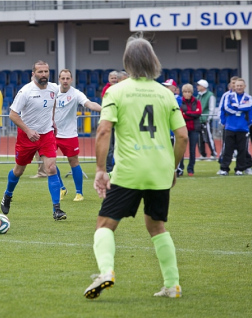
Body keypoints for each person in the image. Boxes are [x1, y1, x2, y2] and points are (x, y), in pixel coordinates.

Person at [83, 34, 188, 300]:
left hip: (129, 171)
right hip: (158, 172)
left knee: (104, 225)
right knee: (157, 227)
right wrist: (173, 169)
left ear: (126, 62)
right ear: (153, 61)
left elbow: (104, 130)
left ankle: (106, 271)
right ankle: (172, 284)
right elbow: (183, 136)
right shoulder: (166, 93)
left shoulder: (116, 91)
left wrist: (99, 170)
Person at [0, 60, 67, 221]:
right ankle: (8, 194)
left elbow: (52, 103)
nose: (43, 75)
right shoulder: (26, 92)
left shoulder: (53, 88)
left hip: (46, 135)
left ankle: (56, 209)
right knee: (19, 171)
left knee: (51, 168)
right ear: (33, 74)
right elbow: (13, 115)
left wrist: (52, 121)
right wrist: (28, 131)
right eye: (40, 72)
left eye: (46, 71)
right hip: (26, 136)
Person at [55, 69, 102, 202]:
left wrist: (104, 109)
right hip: (52, 133)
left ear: (71, 79)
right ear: (59, 79)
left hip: (69, 134)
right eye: (63, 78)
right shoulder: (52, 91)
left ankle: (79, 193)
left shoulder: (76, 94)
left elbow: (90, 104)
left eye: (67, 78)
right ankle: (61, 188)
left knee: (74, 161)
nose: (65, 81)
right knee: (49, 163)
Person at [217, 78, 252, 176]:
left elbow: (250, 107)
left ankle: (239, 169)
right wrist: (240, 109)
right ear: (234, 86)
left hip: (243, 127)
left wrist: (237, 108)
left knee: (242, 149)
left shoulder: (248, 97)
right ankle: (224, 168)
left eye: (241, 85)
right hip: (230, 127)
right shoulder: (228, 96)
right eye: (237, 85)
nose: (239, 87)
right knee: (228, 149)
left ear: (244, 86)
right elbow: (226, 108)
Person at [178, 83, 202, 176]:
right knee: (181, 150)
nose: (187, 93)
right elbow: (181, 115)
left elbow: (198, 113)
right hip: (183, 129)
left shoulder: (197, 101)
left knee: (192, 150)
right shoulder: (180, 101)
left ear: (192, 92)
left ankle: (190, 169)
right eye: (185, 92)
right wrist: (192, 113)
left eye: (189, 92)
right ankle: (180, 168)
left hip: (194, 129)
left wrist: (186, 113)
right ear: (182, 92)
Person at [196, 79, 217, 160]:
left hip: (206, 120)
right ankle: (203, 154)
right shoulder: (199, 96)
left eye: (199, 85)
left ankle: (213, 153)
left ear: (203, 86)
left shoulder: (210, 95)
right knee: (200, 138)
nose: (197, 87)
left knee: (208, 137)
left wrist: (208, 118)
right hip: (199, 120)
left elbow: (211, 108)